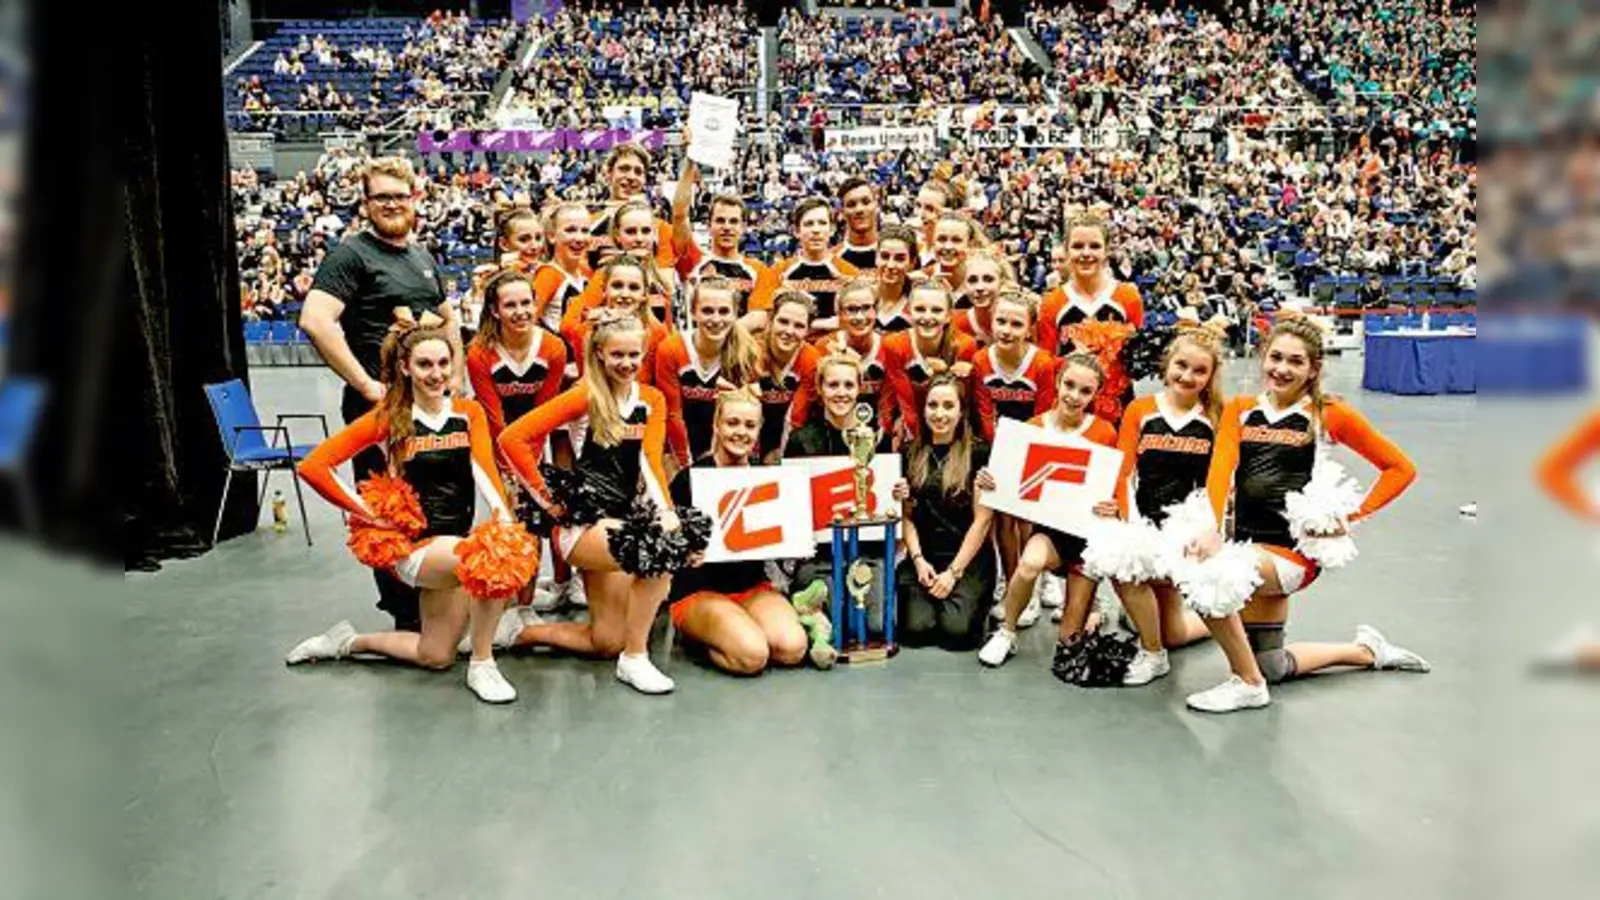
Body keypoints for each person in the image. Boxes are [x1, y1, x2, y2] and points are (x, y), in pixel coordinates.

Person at [1183, 317, 1429, 713]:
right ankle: (1367, 651)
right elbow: (1220, 469)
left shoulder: (1330, 413)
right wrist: (1212, 528)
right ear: (1263, 357)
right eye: (1275, 357)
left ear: (1313, 368)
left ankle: (1247, 685)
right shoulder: (1241, 410)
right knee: (1273, 665)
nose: (1281, 368)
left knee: (1205, 575)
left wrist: (1350, 517)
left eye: (1295, 362)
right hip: (1246, 545)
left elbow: (1401, 469)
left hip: (1291, 555)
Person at [287, 326, 520, 704]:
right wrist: (370, 515)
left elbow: (484, 469)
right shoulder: (390, 418)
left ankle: (344, 642)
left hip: (457, 543)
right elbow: (314, 466)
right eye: (425, 364)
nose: (436, 373)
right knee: (491, 563)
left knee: (436, 655)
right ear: (405, 367)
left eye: (444, 363)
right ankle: (483, 664)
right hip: (414, 547)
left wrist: (502, 516)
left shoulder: (468, 412)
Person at [300, 156, 458, 632]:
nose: (391, 205)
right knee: (389, 511)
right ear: (366, 203)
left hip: (430, 408)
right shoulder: (351, 255)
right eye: (380, 197)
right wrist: (368, 385)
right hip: (381, 412)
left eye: (399, 195)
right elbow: (315, 320)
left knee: (433, 503)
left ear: (416, 200)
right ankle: (406, 617)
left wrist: (452, 386)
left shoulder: (423, 257)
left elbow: (447, 320)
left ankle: (434, 605)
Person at [497, 312, 681, 695]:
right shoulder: (585, 395)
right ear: (599, 354)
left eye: (634, 355)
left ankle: (517, 632)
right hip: (583, 526)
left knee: (606, 641)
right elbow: (513, 439)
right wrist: (547, 501)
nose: (627, 364)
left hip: (623, 522)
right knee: (659, 552)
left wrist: (665, 510)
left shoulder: (652, 400)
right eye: (617, 355)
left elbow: (650, 459)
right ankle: (636, 660)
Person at [1102, 326, 1226, 687]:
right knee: (1119, 561)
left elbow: (1220, 482)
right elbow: (1123, 472)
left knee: (1175, 634)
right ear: (1166, 364)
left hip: (1188, 529)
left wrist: (1210, 529)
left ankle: (1233, 619)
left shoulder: (1217, 417)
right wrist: (1128, 524)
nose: (1187, 376)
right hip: (1146, 521)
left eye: (1199, 371)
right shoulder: (1141, 410)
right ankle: (1152, 654)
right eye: (1181, 365)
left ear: (1211, 376)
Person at [978, 353, 1119, 667]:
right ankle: (1006, 633)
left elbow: (1112, 486)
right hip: (1052, 532)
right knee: (1028, 564)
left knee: (1068, 648)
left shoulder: (1105, 432)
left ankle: (1092, 607)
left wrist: (1114, 504)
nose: (1074, 396)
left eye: (1085, 391)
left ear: (1095, 395)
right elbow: (1011, 481)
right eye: (1069, 384)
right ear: (1057, 383)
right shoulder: (1033, 427)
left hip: (1088, 540)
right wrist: (991, 479)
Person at [667, 387, 809, 675]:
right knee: (753, 657)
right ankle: (700, 639)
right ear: (716, 426)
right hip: (699, 591)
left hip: (752, 588)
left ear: (758, 431)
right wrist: (685, 552)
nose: (740, 432)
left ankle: (736, 628)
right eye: (732, 423)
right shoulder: (689, 480)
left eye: (749, 425)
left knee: (792, 648)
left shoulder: (765, 479)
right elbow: (666, 546)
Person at [895, 373, 995, 650]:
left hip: (967, 557)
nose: (939, 414)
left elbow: (983, 522)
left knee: (957, 634)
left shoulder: (979, 454)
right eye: (932, 405)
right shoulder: (908, 453)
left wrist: (953, 573)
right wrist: (917, 560)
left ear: (962, 411)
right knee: (916, 630)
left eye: (949, 406)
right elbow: (905, 517)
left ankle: (975, 598)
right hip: (924, 555)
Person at [1037, 214, 1146, 422]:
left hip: (1117, 404)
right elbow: (1045, 362)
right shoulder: (1053, 303)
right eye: (1078, 246)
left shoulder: (1128, 297)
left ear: (1107, 251)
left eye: (1094, 246)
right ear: (1067, 251)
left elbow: (1137, 359)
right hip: (1071, 404)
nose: (1086, 253)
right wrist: (1071, 361)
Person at [656, 277, 762, 470]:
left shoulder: (747, 352)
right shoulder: (671, 349)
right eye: (707, 311)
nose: (715, 319)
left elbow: (749, 419)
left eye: (723, 311)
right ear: (693, 312)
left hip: (723, 447)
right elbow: (673, 415)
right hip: (678, 446)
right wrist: (687, 466)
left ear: (736, 314)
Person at [464, 268, 567, 442]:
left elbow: (543, 412)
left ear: (535, 304)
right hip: (492, 435)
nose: (520, 312)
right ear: (495, 311)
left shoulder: (554, 348)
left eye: (526, 303)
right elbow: (494, 418)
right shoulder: (479, 352)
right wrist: (508, 464)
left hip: (534, 434)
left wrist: (528, 458)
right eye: (510, 305)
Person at [883, 281, 978, 440]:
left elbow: (964, 401)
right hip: (913, 424)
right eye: (920, 309)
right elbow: (905, 399)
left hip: (950, 423)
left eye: (937, 310)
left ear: (948, 316)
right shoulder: (894, 345)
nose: (927, 317)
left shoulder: (965, 345)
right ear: (908, 312)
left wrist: (948, 370)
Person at [753, 197, 860, 332]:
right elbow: (762, 320)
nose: (816, 230)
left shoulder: (849, 273)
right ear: (796, 231)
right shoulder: (777, 272)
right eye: (809, 224)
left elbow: (858, 321)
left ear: (832, 229)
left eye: (822, 223)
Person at [755, 291, 822, 462]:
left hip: (789, 438)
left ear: (808, 331)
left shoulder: (811, 360)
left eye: (799, 326)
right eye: (783, 322)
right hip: (751, 436)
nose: (789, 331)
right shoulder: (752, 351)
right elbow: (743, 411)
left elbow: (796, 417)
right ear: (770, 321)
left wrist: (783, 456)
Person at [873, 225, 919, 332]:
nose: (890, 265)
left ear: (912, 263)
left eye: (899, 259)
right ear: (876, 257)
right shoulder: (861, 297)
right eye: (885, 256)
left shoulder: (920, 304)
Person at [835, 176, 882, 271]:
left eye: (866, 202)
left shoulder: (898, 254)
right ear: (842, 212)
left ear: (877, 206)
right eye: (851, 204)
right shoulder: (832, 259)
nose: (859, 209)